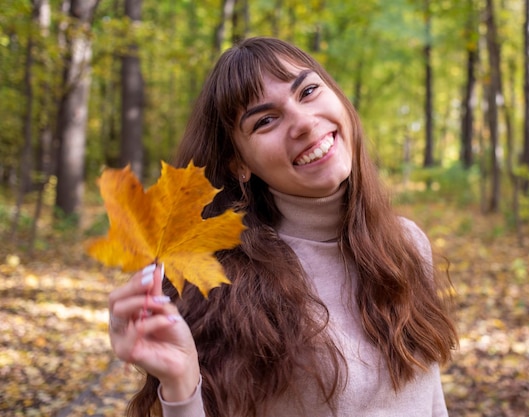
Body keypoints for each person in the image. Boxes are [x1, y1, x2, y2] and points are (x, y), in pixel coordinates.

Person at [108, 36, 458, 417]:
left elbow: (431, 401)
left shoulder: (407, 243)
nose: (304, 124)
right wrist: (179, 387)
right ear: (239, 164)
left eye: (308, 91)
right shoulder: (223, 286)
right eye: (266, 120)